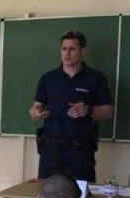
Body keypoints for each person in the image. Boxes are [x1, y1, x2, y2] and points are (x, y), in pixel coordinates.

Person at [29, 31, 114, 182]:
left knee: (81, 193)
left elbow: (108, 111)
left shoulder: (95, 78)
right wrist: (37, 113)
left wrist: (88, 110)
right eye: (64, 49)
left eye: (72, 49)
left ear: (83, 51)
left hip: (79, 151)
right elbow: (35, 109)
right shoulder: (48, 78)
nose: (67, 54)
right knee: (47, 192)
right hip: (50, 150)